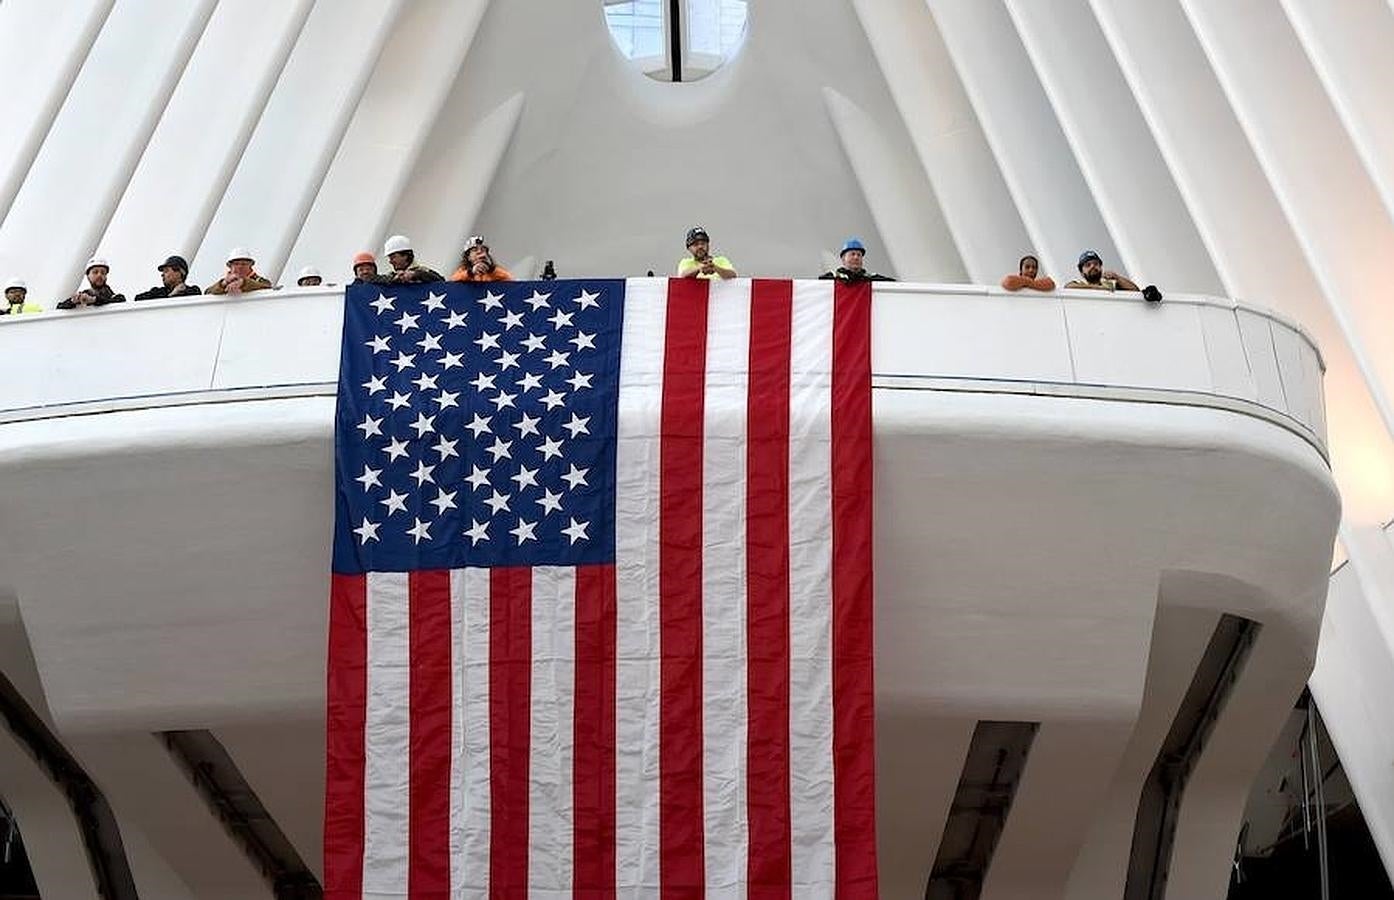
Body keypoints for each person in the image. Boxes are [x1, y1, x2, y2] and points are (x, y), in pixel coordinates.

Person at [57, 257, 126, 309]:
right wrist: (73, 301)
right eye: (95, 272)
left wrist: (92, 300)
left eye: (103, 272)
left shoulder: (116, 298)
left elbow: (119, 300)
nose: (99, 275)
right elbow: (59, 307)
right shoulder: (82, 296)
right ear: (88, 276)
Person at [820, 237, 895, 283]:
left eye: (859, 255)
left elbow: (895, 285)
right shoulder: (830, 278)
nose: (856, 257)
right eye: (852, 254)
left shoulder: (871, 278)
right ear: (843, 259)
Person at [1064, 250, 1139, 292]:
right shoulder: (1080, 284)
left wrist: (1117, 278)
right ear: (1081, 272)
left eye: (1096, 264)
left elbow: (1135, 290)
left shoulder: (1109, 284)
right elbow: (1068, 287)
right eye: (1088, 265)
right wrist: (1097, 287)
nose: (1093, 266)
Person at [206, 248, 273, 295]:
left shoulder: (261, 282)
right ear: (230, 266)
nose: (240, 267)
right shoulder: (224, 283)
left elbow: (268, 288)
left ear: (250, 266)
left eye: (244, 264)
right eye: (236, 264)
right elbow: (207, 293)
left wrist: (243, 283)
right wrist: (223, 284)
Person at [134, 255, 201, 301]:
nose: (162, 274)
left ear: (180, 272)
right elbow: (137, 299)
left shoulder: (193, 291)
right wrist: (172, 295)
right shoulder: (157, 292)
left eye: (166, 271)